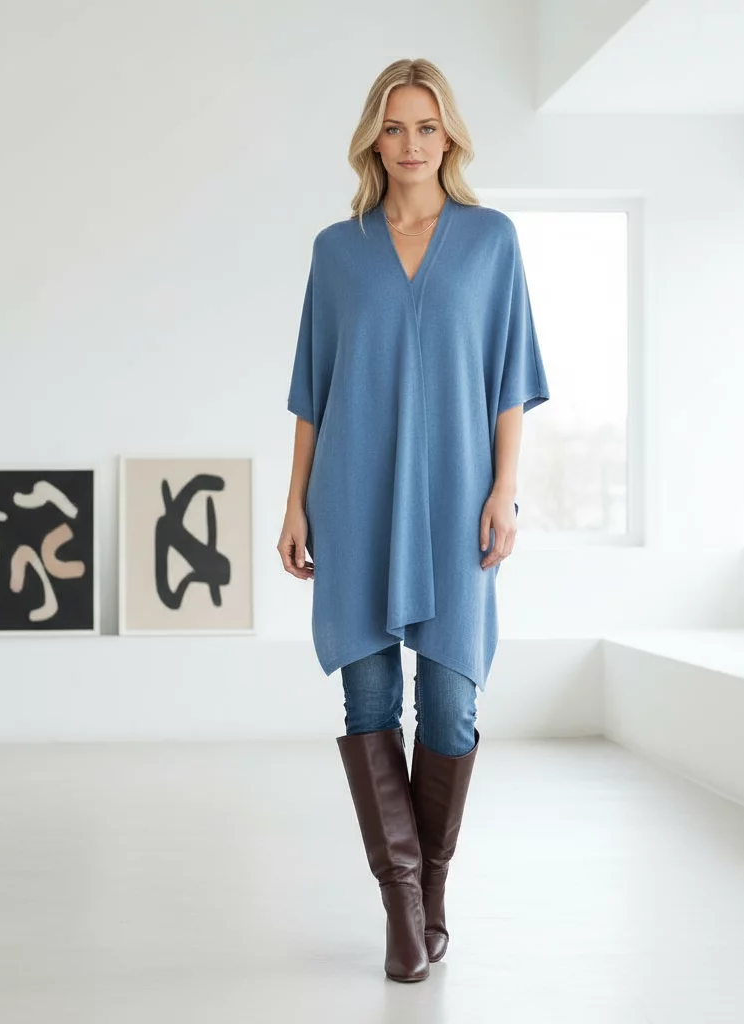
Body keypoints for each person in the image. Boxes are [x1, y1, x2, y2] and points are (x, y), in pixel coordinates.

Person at [278, 57, 550, 983]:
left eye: (426, 127)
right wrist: (294, 502)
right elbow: (312, 391)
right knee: (367, 703)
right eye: (393, 127)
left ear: (449, 137)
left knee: (450, 704)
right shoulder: (337, 250)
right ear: (373, 138)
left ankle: (431, 891)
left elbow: (509, 381)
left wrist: (504, 489)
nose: (410, 144)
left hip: (457, 498)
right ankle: (403, 907)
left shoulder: (490, 240)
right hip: (352, 496)